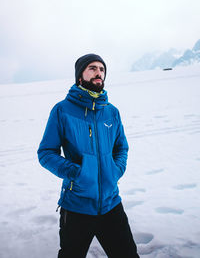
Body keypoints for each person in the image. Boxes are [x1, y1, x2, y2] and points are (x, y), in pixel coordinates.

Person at [37, 54, 140, 258]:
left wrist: (115, 170)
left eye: (102, 69)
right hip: (76, 206)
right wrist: (77, 172)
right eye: (92, 68)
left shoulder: (112, 112)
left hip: (111, 204)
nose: (98, 73)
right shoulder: (62, 110)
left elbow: (122, 148)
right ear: (80, 76)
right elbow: (46, 153)